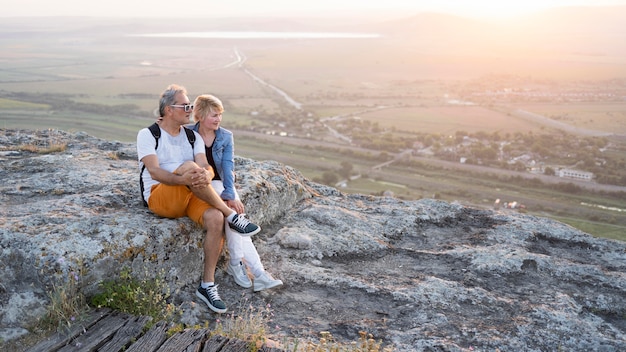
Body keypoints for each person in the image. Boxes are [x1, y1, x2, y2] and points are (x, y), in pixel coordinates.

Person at [137, 84, 261, 314]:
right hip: (161, 196)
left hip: (190, 194)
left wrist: (205, 175)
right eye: (185, 106)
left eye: (191, 105)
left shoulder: (192, 136)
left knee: (214, 218)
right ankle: (232, 215)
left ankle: (207, 285)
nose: (190, 109)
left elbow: (206, 167)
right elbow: (155, 172)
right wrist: (187, 176)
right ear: (168, 110)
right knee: (189, 166)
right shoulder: (148, 134)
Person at [190, 94, 283, 292]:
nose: (218, 119)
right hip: (202, 185)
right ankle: (254, 271)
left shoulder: (225, 136)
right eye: (214, 115)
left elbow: (227, 165)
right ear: (201, 115)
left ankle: (247, 268)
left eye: (220, 115)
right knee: (234, 218)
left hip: (221, 183)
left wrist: (230, 193)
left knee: (234, 216)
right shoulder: (188, 134)